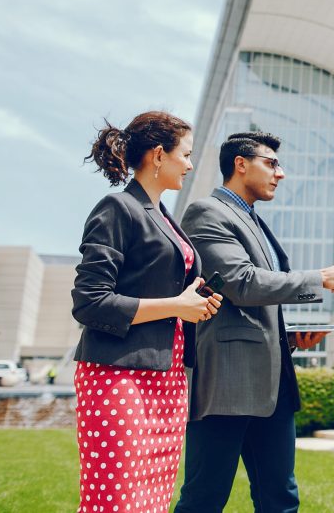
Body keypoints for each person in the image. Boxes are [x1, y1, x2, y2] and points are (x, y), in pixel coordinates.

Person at [174, 132, 334, 513]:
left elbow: (257, 301)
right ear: (241, 164)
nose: (280, 174)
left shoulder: (254, 221)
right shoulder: (208, 212)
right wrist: (318, 278)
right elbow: (241, 283)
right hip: (228, 382)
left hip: (274, 384)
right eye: (271, 163)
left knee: (280, 498)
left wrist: (290, 337)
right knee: (205, 498)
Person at [72, 111, 222, 513]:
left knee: (153, 502)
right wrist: (176, 305)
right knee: (117, 502)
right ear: (159, 155)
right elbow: (89, 301)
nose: (190, 165)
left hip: (169, 380)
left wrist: (194, 304)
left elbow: (165, 290)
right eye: (185, 155)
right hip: (118, 377)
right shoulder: (117, 208)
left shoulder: (166, 218)